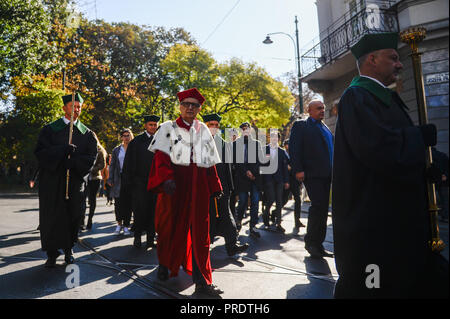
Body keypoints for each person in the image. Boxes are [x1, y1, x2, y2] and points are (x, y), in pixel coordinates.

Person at [332, 32, 449, 298]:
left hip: (400, 222)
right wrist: (418, 138)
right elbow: (378, 149)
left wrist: (429, 166)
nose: (399, 64)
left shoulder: (385, 97)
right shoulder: (356, 97)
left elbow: (399, 148)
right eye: (393, 58)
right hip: (375, 228)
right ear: (372, 59)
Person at [147, 88, 224, 297]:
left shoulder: (203, 130)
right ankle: (165, 264)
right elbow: (161, 157)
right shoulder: (167, 128)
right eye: (186, 104)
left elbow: (209, 163)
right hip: (174, 186)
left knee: (201, 233)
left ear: (199, 109)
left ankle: (203, 280)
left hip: (198, 187)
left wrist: (215, 186)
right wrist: (166, 179)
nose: (190, 108)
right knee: (169, 229)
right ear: (180, 106)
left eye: (195, 105)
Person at [34, 92, 97, 267]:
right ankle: (52, 253)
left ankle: (69, 250)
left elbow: (91, 158)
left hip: (75, 182)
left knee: (73, 216)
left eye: (79, 107)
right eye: (72, 106)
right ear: (64, 108)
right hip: (52, 182)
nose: (76, 110)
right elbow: (40, 153)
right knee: (52, 217)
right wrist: (61, 151)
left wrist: (74, 163)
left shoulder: (87, 134)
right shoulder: (49, 130)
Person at [289, 100, 334, 259]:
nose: (322, 110)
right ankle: (311, 242)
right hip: (312, 173)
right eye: (319, 108)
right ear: (309, 110)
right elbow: (294, 148)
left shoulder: (325, 127)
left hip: (327, 174)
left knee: (322, 209)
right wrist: (298, 169)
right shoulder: (301, 125)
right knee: (318, 207)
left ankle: (318, 244)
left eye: (323, 107)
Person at [203, 113, 249, 256]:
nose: (214, 127)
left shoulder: (223, 142)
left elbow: (228, 167)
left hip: (223, 188)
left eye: (216, 125)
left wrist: (230, 188)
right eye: (211, 124)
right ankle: (203, 247)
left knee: (227, 216)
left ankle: (232, 245)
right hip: (205, 188)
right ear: (205, 125)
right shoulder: (198, 142)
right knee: (207, 217)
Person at [121, 115, 160, 249]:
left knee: (153, 211)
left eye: (155, 125)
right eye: (150, 125)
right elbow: (128, 164)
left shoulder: (160, 141)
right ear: (145, 126)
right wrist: (129, 183)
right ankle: (137, 237)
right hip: (139, 183)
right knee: (139, 211)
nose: (153, 127)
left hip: (155, 183)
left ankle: (150, 239)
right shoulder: (136, 142)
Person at [233, 122, 266, 238]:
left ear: (250, 130)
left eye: (247, 129)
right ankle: (238, 222)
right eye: (243, 129)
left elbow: (260, 160)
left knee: (255, 202)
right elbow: (236, 161)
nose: (245, 131)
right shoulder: (236, 144)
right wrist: (246, 172)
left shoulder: (257, 144)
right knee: (242, 201)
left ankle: (253, 226)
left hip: (255, 178)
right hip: (242, 178)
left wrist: (253, 172)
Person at [262, 131, 290, 233]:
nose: (274, 139)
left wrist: (286, 181)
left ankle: (278, 224)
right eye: (272, 137)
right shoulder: (264, 149)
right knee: (271, 199)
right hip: (268, 180)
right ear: (270, 138)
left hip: (280, 180)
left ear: (278, 139)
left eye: (276, 138)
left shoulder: (282, 152)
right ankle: (265, 215)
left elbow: (285, 168)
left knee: (279, 201)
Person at [107, 128, 134, 236]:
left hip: (130, 179)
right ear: (121, 137)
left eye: (128, 135)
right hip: (118, 178)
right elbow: (112, 165)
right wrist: (110, 178)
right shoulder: (117, 150)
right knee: (118, 203)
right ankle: (119, 224)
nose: (126, 137)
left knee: (128, 203)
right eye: (124, 135)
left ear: (131, 136)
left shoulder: (133, 149)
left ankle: (126, 226)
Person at [83, 134, 107, 230]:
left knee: (92, 200)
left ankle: (90, 220)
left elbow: (102, 165)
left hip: (95, 178)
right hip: (84, 177)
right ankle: (81, 221)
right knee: (82, 199)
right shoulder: (84, 148)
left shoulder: (100, 150)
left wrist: (91, 169)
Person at [282, 139, 305, 234]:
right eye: (287, 145)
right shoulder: (283, 154)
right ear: (285, 146)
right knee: (284, 200)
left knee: (298, 200)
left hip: (294, 182)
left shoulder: (295, 155)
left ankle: (297, 221)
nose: (288, 146)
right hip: (286, 181)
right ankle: (275, 213)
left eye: (289, 145)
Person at [432, 147, 449, 222]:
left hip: (433, 180)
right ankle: (445, 216)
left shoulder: (428, 155)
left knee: (431, 198)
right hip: (443, 180)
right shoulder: (443, 155)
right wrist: (446, 175)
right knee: (444, 199)